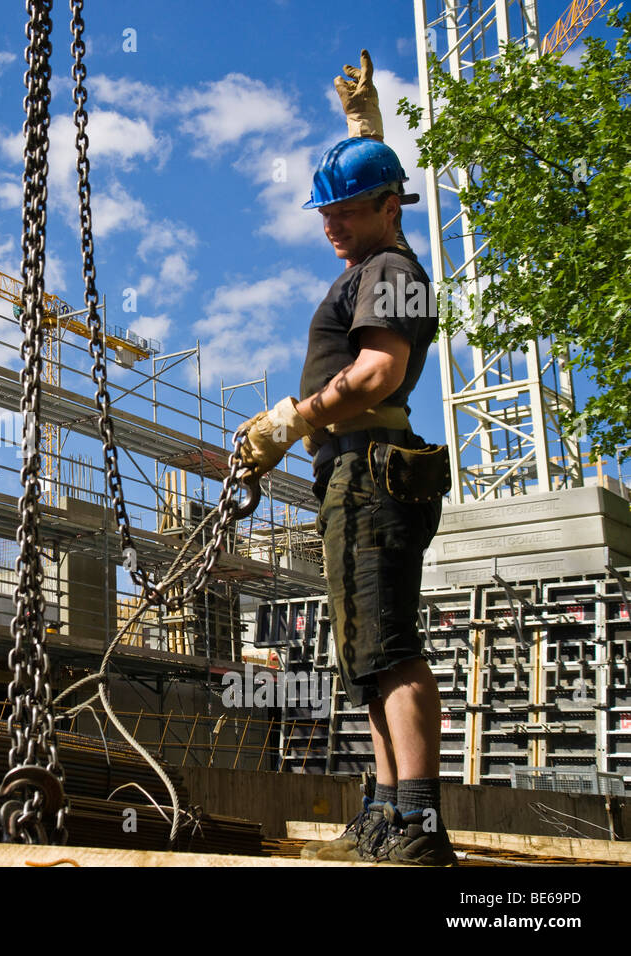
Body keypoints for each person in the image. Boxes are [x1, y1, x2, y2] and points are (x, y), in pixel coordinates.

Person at [233, 51, 454, 865]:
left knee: (389, 647)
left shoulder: (391, 268)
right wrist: (363, 130)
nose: (331, 226)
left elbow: (380, 372)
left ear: (389, 207)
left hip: (371, 470)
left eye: (346, 213)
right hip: (349, 473)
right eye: (324, 214)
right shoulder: (377, 259)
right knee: (366, 654)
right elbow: (374, 194)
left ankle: (420, 831)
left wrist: (293, 419)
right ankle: (390, 815)